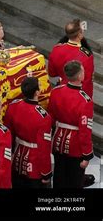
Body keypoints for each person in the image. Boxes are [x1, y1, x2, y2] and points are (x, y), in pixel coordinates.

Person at [47, 60, 93, 188]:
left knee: (59, 177)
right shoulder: (85, 101)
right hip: (75, 146)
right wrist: (87, 154)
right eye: (82, 70)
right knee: (75, 180)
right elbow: (85, 131)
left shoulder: (56, 91)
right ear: (79, 76)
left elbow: (51, 116)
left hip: (57, 140)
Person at [3, 77, 53, 188]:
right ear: (37, 92)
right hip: (34, 164)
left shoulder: (13, 106)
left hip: (17, 158)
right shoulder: (43, 117)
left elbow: (8, 134)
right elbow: (44, 148)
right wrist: (46, 173)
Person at [48, 19, 94, 97]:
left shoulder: (56, 49)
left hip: (61, 89)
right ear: (79, 35)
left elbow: (52, 73)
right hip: (77, 94)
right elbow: (86, 83)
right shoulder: (86, 56)